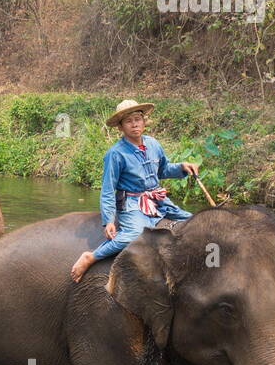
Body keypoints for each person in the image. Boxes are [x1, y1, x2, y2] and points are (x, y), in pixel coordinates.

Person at [70, 99, 200, 282]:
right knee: (133, 235)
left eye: (138, 119)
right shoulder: (115, 154)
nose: (134, 124)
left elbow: (162, 170)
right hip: (132, 204)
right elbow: (108, 189)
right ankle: (92, 256)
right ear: (120, 127)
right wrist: (108, 220)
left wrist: (181, 167)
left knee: (192, 220)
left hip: (158, 200)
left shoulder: (153, 144)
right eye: (128, 121)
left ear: (144, 121)